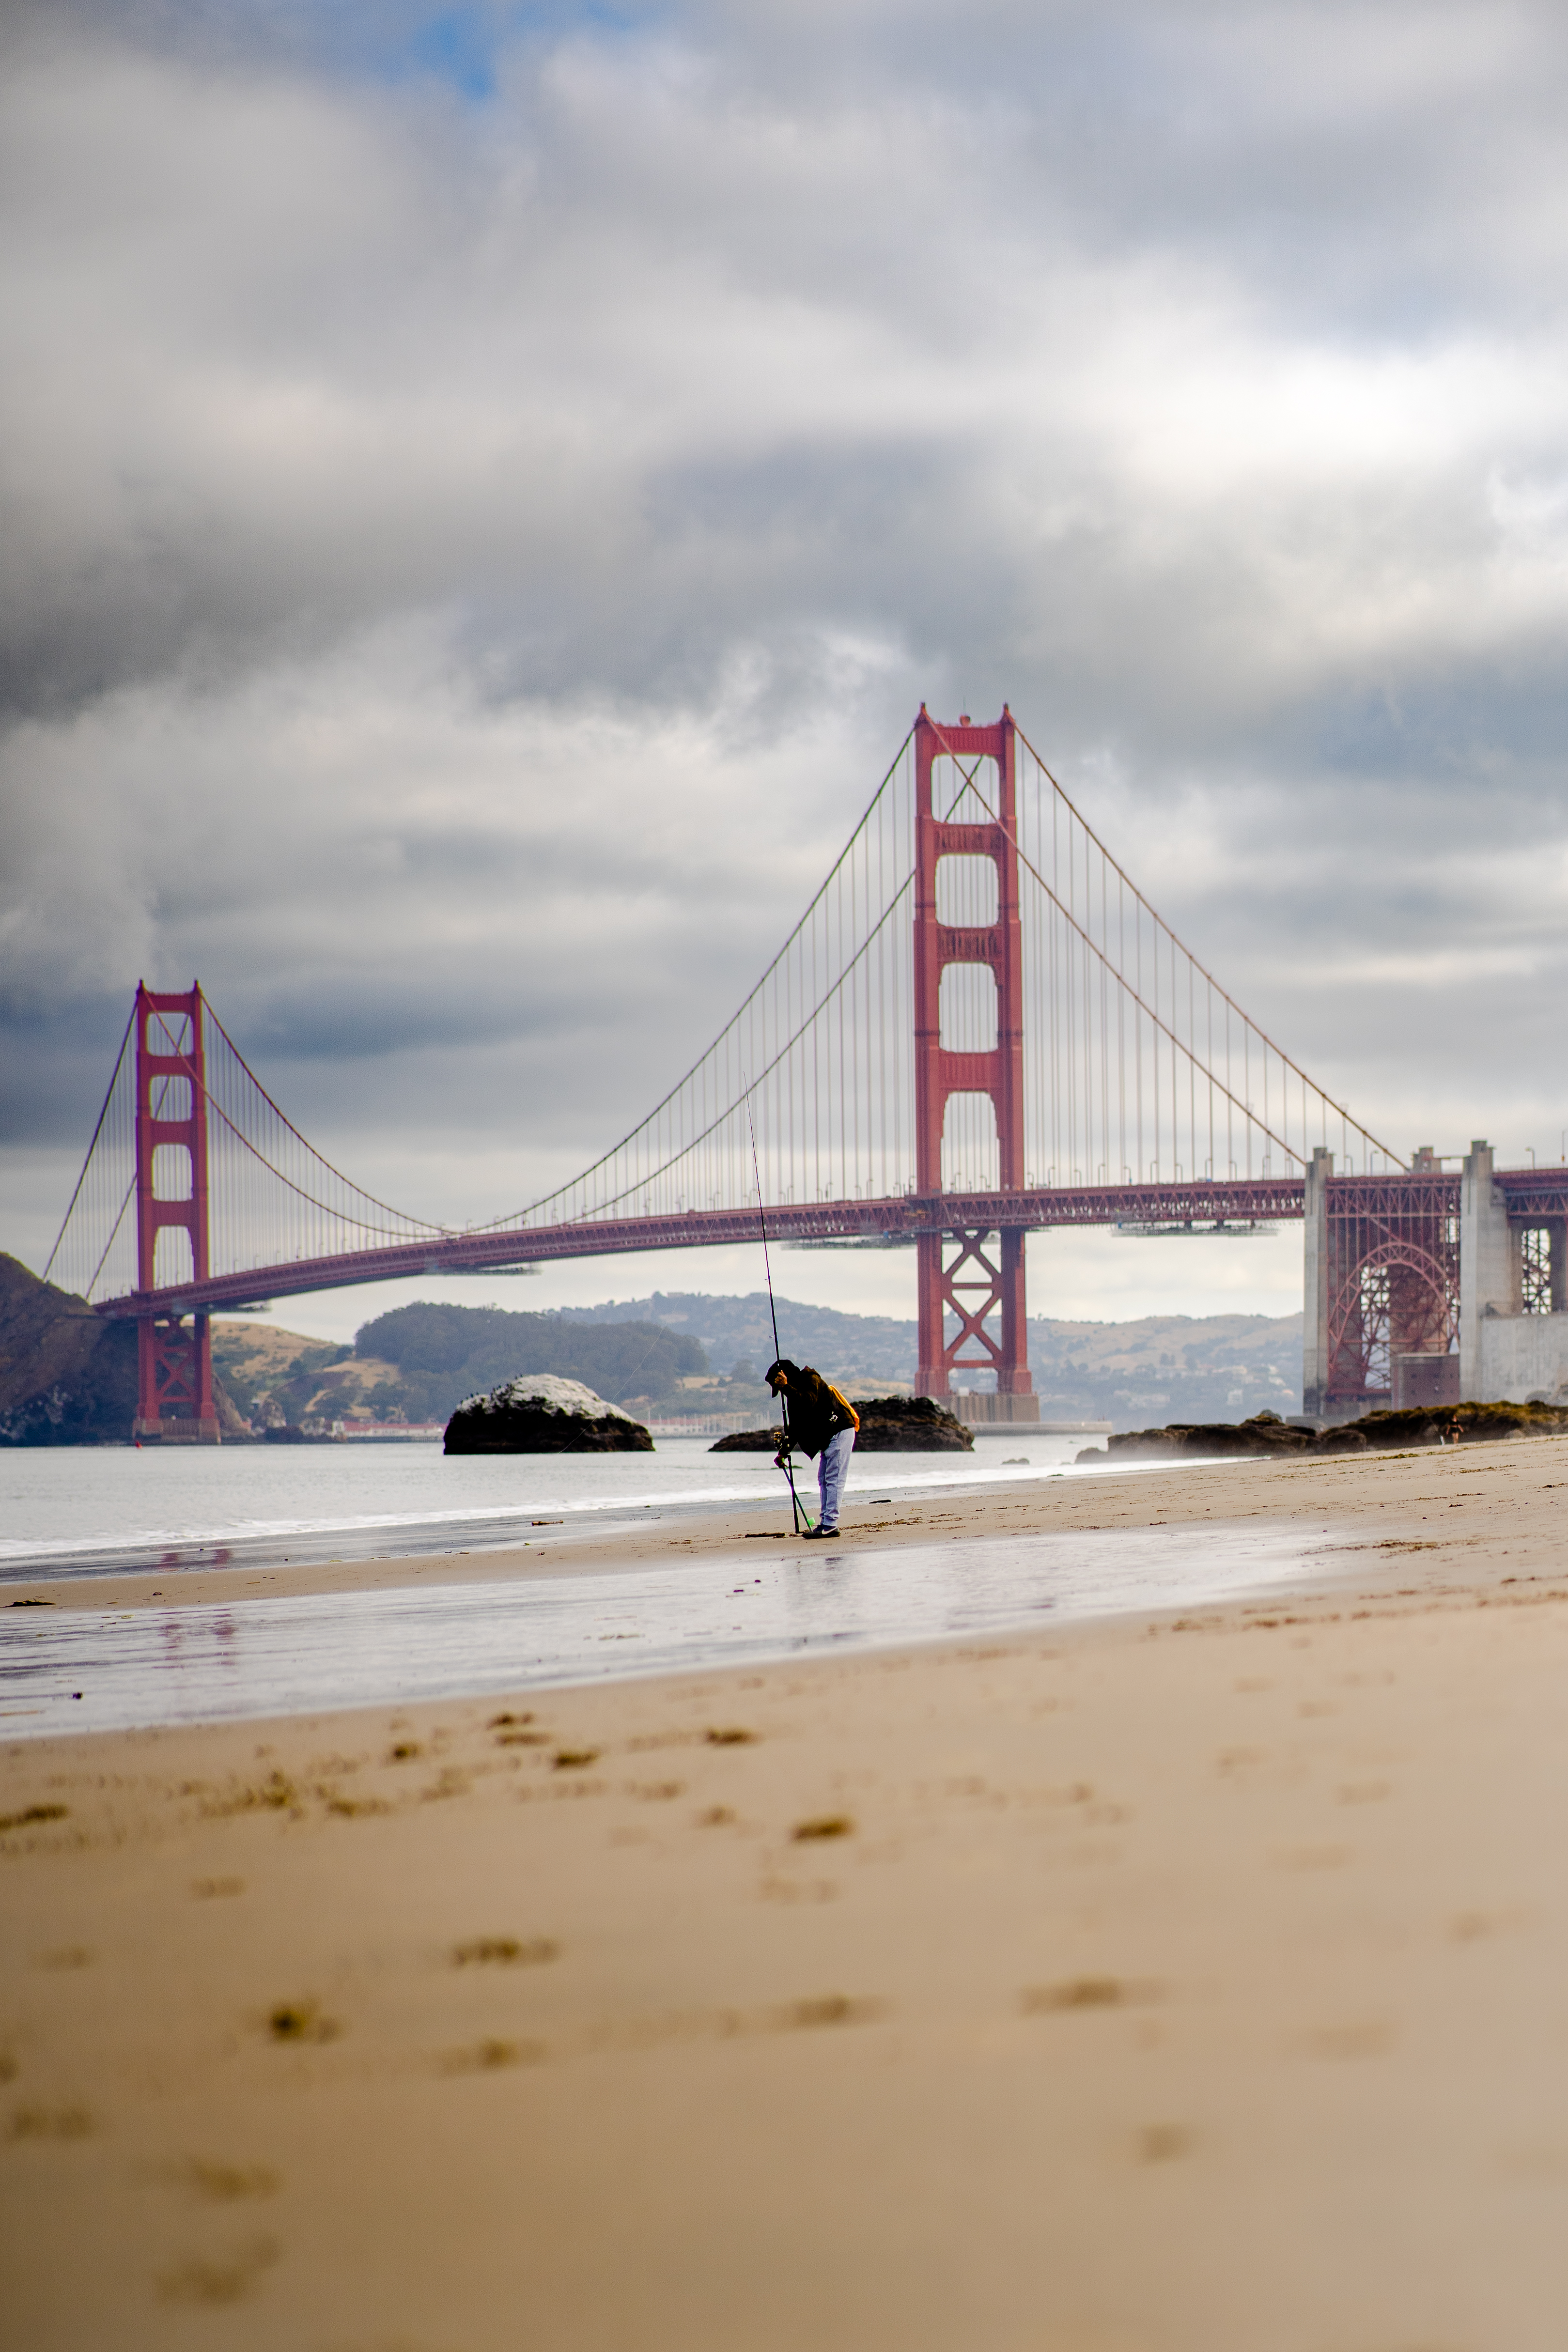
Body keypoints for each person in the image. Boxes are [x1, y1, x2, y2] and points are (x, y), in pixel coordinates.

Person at [765, 1359, 859, 1539]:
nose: (782, 1392)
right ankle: (826, 1523)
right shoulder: (792, 1395)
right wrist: (784, 1453)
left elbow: (808, 1402)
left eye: (779, 1385)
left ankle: (830, 1525)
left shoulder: (811, 1379)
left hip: (839, 1430)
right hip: (828, 1436)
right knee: (823, 1479)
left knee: (834, 1479)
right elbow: (796, 1427)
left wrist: (786, 1387)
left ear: (785, 1377)